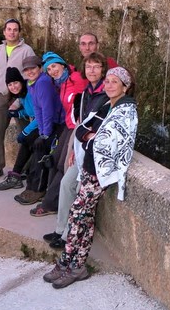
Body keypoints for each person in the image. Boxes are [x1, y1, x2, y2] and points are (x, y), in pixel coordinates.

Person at [43, 66, 138, 289]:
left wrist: (91, 136)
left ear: (125, 86)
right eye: (108, 81)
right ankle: (76, 265)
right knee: (83, 218)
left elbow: (105, 140)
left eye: (115, 82)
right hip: (89, 166)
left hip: (99, 174)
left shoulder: (126, 110)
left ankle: (69, 262)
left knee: (77, 215)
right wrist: (90, 136)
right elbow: (82, 129)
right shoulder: (108, 105)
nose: (109, 85)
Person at [30, 34, 116, 217]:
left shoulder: (78, 77)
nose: (87, 47)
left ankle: (51, 204)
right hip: (72, 126)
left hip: (82, 129)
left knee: (63, 165)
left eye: (91, 43)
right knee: (55, 161)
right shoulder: (64, 81)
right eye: (83, 44)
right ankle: (51, 200)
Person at [42, 52, 109, 249]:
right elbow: (80, 122)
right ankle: (60, 228)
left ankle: (67, 236)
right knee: (65, 183)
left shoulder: (106, 93)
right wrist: (74, 149)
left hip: (94, 154)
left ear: (102, 70)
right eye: (89, 67)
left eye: (96, 67)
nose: (92, 70)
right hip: (81, 150)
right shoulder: (85, 93)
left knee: (79, 190)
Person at [0, 18, 35, 182]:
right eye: (9, 29)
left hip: (20, 97)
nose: (12, 32)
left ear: (19, 32)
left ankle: (26, 168)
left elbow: (32, 73)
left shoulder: (27, 50)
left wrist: (23, 96)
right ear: (4, 32)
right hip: (1, 96)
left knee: (26, 133)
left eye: (15, 29)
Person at [14, 55, 63, 205]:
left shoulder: (43, 83)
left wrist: (45, 134)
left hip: (57, 123)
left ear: (40, 68)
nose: (30, 72)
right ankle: (32, 184)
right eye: (27, 70)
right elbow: (37, 109)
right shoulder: (31, 83)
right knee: (34, 142)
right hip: (48, 124)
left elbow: (47, 110)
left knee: (41, 148)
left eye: (33, 68)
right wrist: (41, 132)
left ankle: (38, 189)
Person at [0, 67, 38, 191]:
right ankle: (17, 175)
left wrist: (25, 131)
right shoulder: (22, 94)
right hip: (38, 122)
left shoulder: (29, 92)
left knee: (26, 140)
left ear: (21, 81)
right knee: (26, 142)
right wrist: (19, 114)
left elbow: (39, 116)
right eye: (10, 84)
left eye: (15, 83)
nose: (13, 87)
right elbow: (30, 110)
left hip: (44, 124)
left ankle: (16, 175)